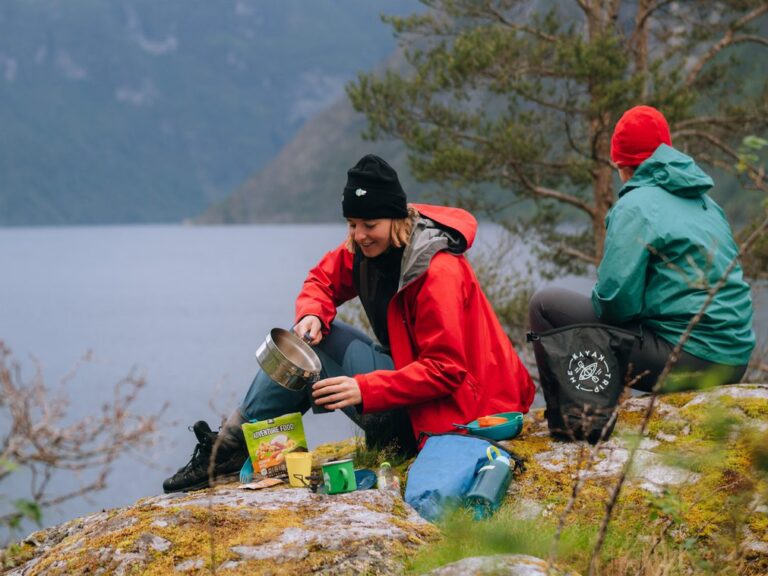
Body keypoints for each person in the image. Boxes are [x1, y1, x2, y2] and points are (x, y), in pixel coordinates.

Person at [163, 154, 535, 493]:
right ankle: (229, 447)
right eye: (352, 223)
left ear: (397, 218)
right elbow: (320, 281)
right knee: (304, 340)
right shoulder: (364, 250)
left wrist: (364, 389)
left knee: (317, 348)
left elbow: (446, 370)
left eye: (368, 224)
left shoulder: (438, 272)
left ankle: (228, 449)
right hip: (411, 395)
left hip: (463, 414)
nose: (358, 235)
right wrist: (312, 312)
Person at [529, 105, 755, 393]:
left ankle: (580, 419)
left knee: (545, 305)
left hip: (690, 361)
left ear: (622, 164)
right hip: (734, 362)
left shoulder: (635, 205)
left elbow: (615, 304)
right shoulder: (708, 204)